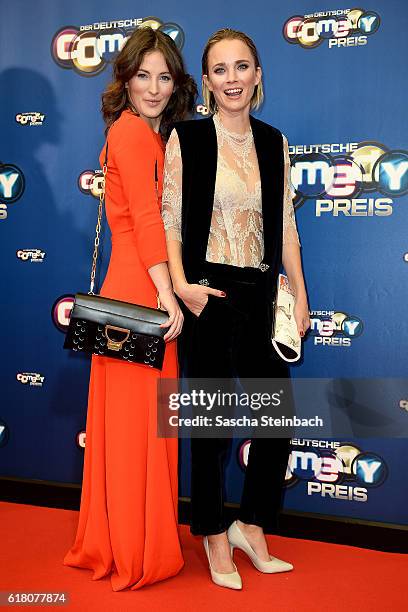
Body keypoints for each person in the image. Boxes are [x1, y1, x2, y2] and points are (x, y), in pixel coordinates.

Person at [162, 28, 310, 590]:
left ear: (257, 76)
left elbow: (288, 228)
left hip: (262, 291)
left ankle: (251, 524)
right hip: (207, 294)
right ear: (206, 82)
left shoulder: (275, 142)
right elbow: (171, 220)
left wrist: (298, 293)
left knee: (275, 421)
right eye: (220, 69)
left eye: (242, 67)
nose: (232, 79)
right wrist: (182, 286)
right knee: (214, 426)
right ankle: (212, 534)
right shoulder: (188, 139)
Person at [64, 27, 197, 591]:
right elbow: (145, 222)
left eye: (164, 77)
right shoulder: (134, 134)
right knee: (135, 426)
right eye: (143, 75)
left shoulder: (140, 133)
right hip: (140, 289)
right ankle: (132, 546)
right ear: (124, 78)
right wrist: (169, 296)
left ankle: (123, 536)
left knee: (136, 426)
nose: (154, 87)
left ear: (176, 84)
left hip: (135, 283)